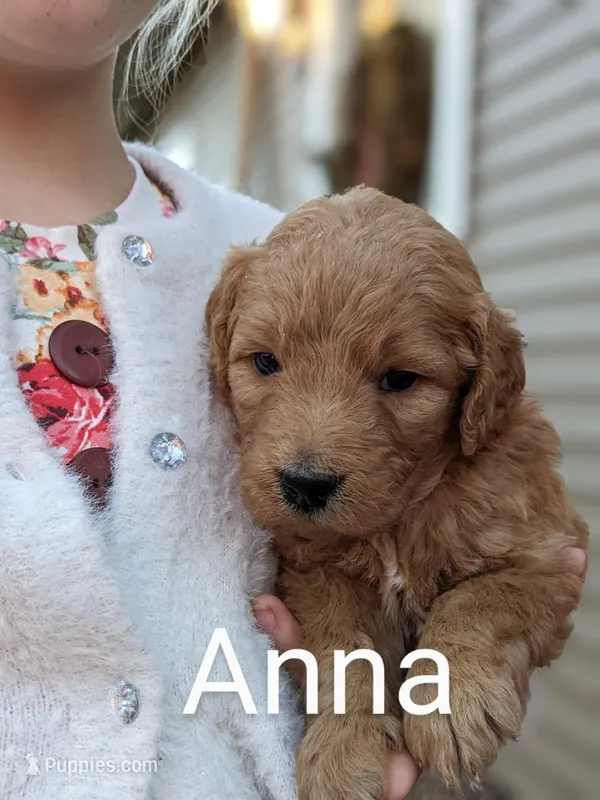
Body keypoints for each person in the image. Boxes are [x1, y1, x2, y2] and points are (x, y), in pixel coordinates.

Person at [0, 2, 586, 799]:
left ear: (482, 390)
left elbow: (517, 618)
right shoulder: (258, 276)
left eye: (398, 380)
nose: (312, 450)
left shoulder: (268, 241)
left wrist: (477, 651)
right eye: (266, 364)